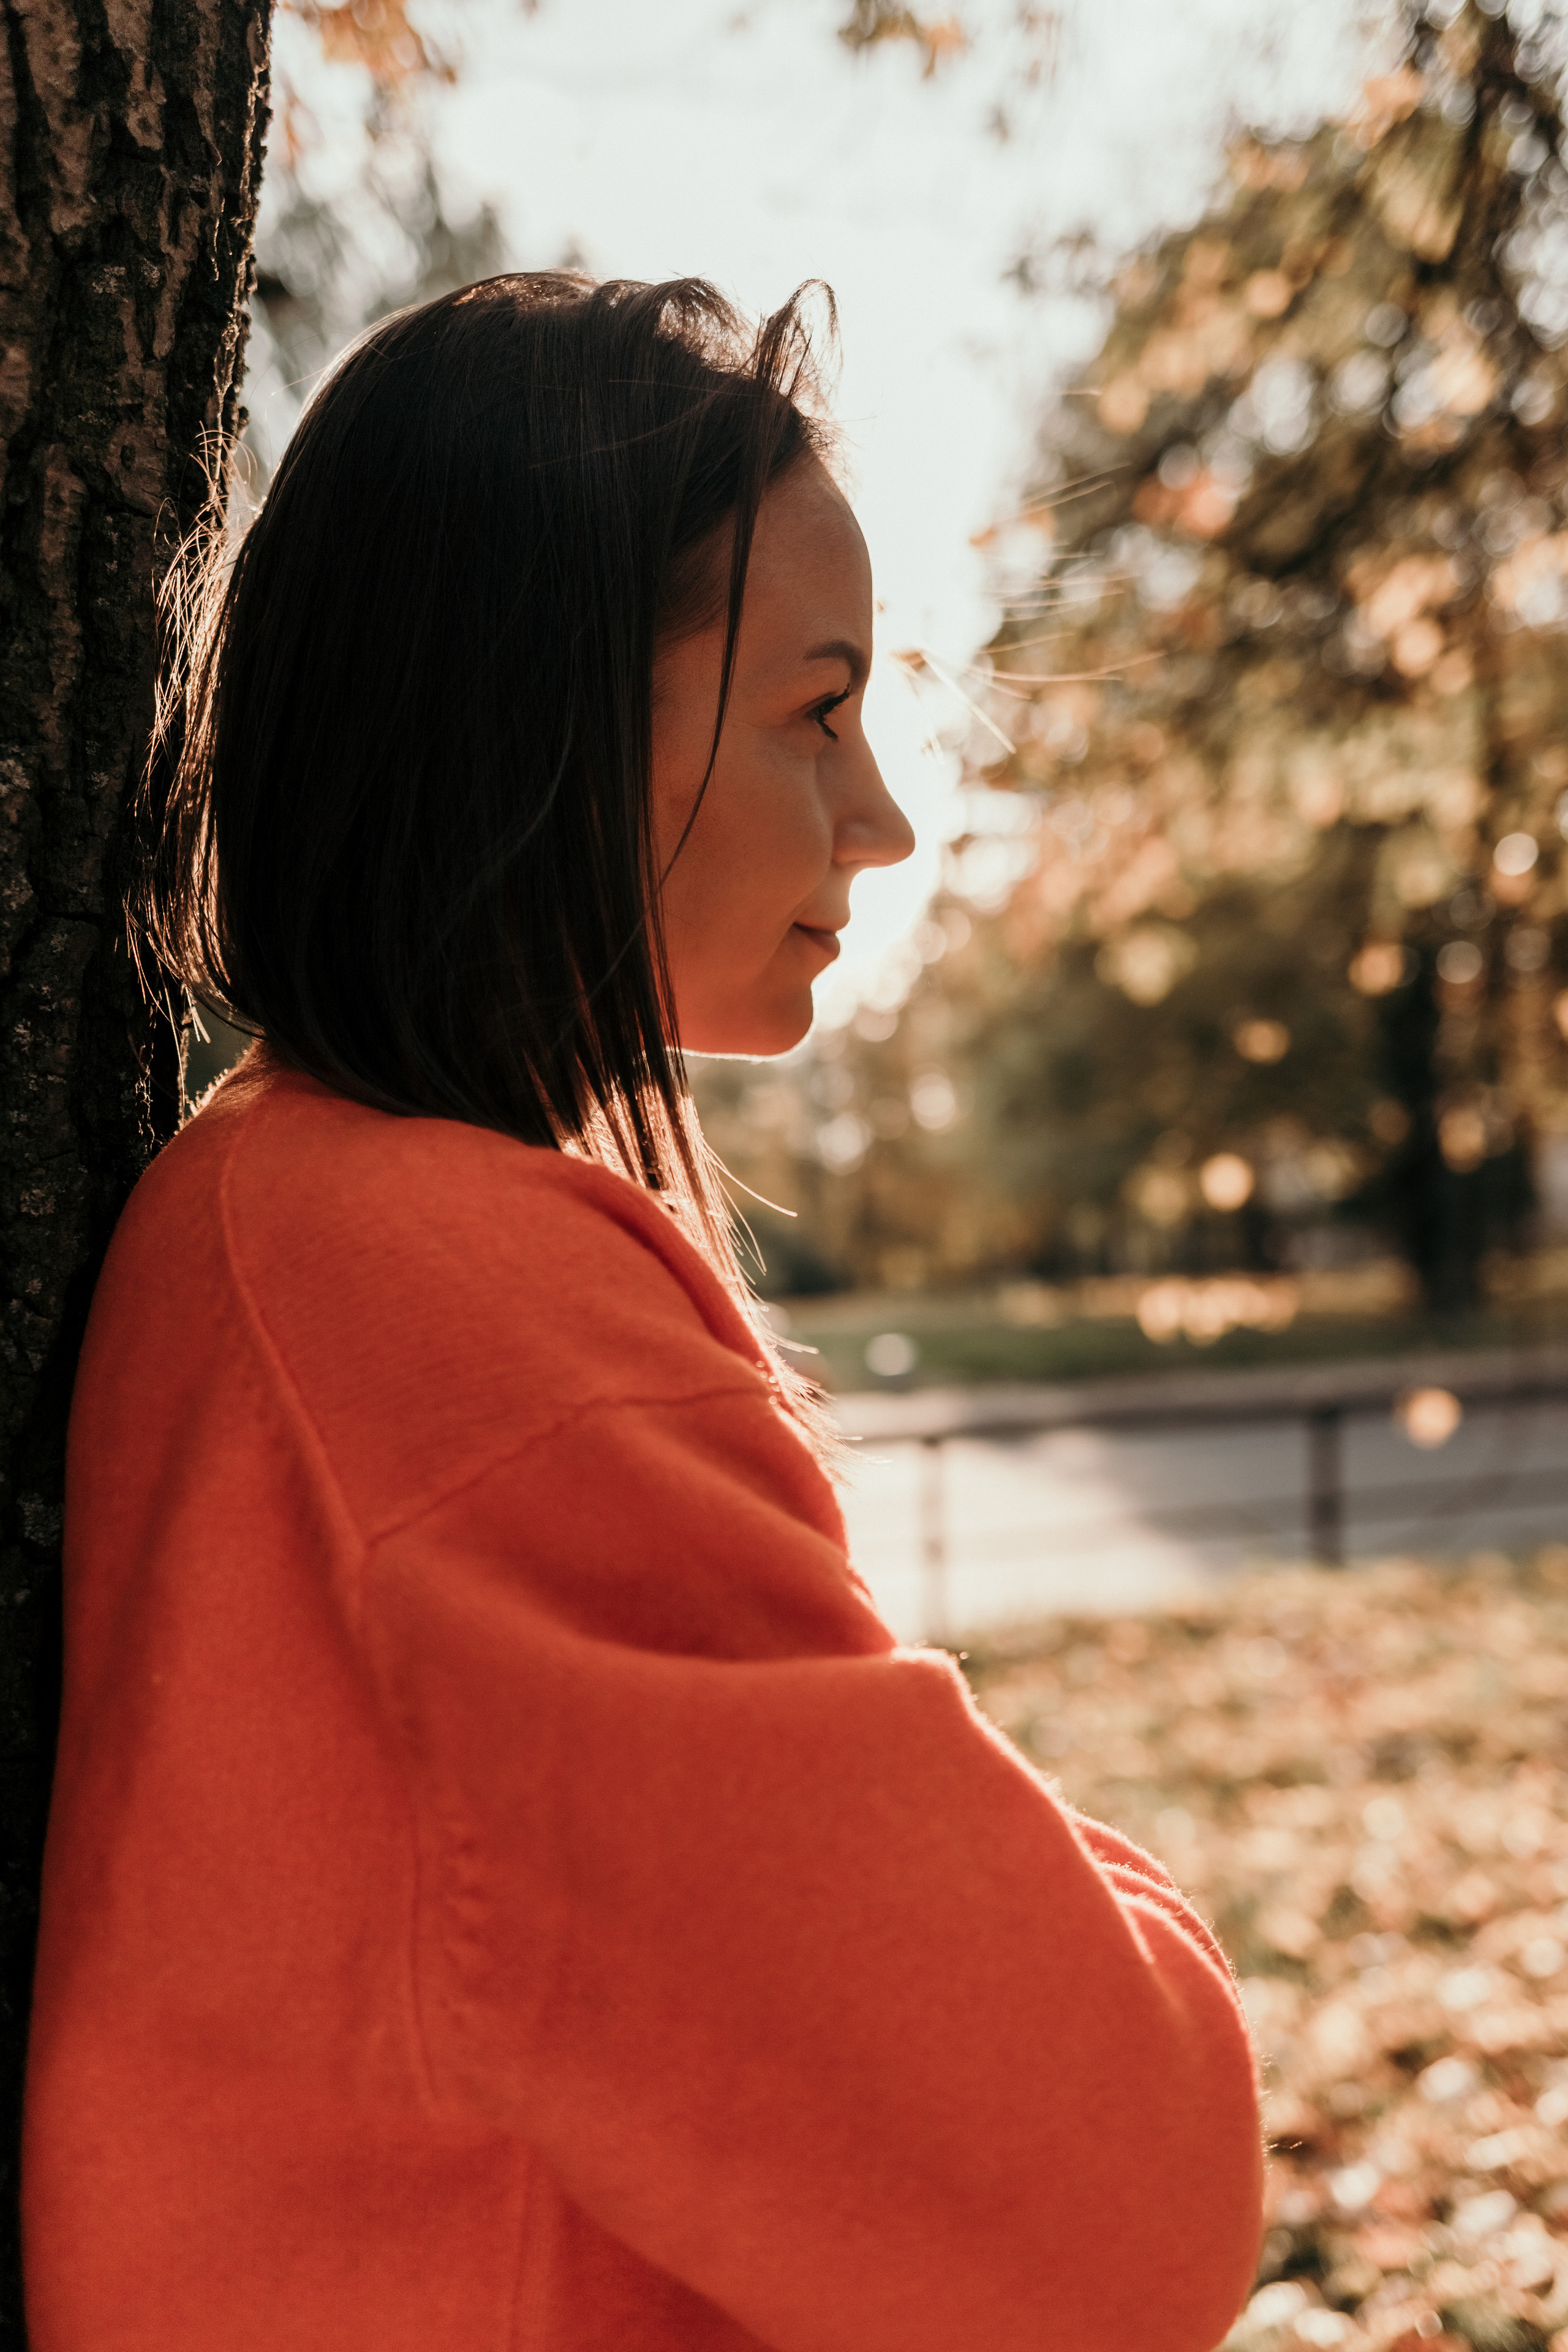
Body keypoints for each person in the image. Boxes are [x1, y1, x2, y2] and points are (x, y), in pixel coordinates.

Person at [23, 273, 1263, 2351]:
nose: (882, 819)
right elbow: (1118, 2183)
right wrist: (1119, 1908)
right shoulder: (438, 1280)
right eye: (817, 708)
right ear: (547, 704)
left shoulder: (297, 1205)